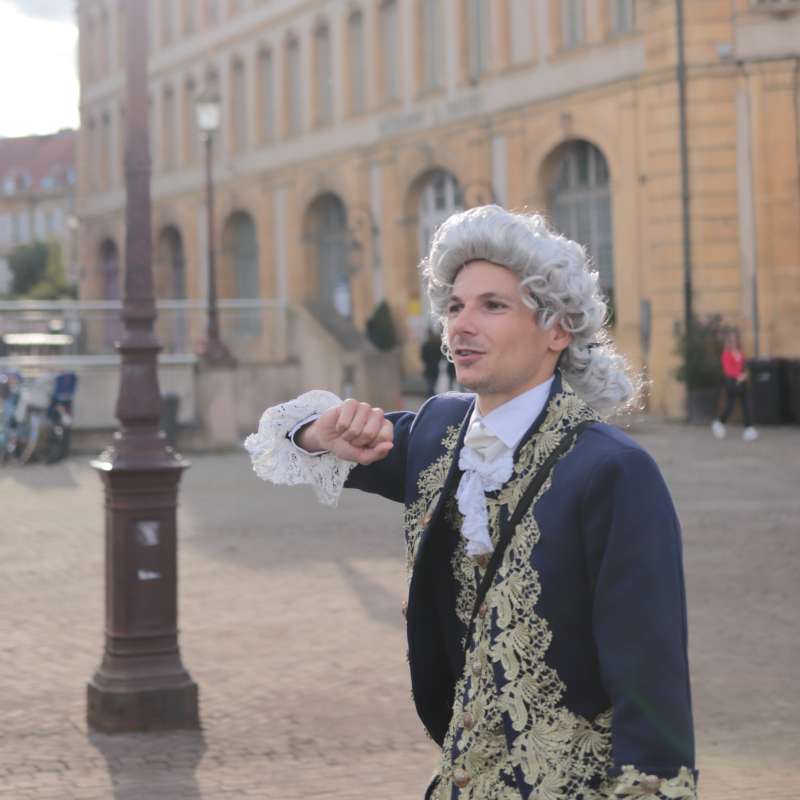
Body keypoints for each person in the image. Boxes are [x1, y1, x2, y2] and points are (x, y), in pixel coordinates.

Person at [245, 206, 697, 800]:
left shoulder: (613, 471)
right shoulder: (440, 432)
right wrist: (318, 432)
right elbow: (294, 440)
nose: (462, 325)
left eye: (493, 306)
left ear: (558, 329)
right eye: (455, 306)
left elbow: (650, 677)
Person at [712, 330, 757, 441]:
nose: (734, 341)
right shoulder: (726, 354)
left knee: (746, 405)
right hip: (732, 383)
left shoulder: (739, 352)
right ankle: (719, 423)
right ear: (728, 341)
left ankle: (749, 429)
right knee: (730, 406)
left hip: (742, 382)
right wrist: (738, 376)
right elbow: (728, 370)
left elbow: (743, 366)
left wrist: (745, 374)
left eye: (735, 339)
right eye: (731, 339)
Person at [421, 327, 445, 397]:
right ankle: (431, 393)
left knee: (430, 381)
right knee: (433, 381)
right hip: (435, 366)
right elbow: (441, 356)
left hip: (428, 366)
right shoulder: (437, 346)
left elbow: (423, 357)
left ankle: (430, 393)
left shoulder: (426, 345)